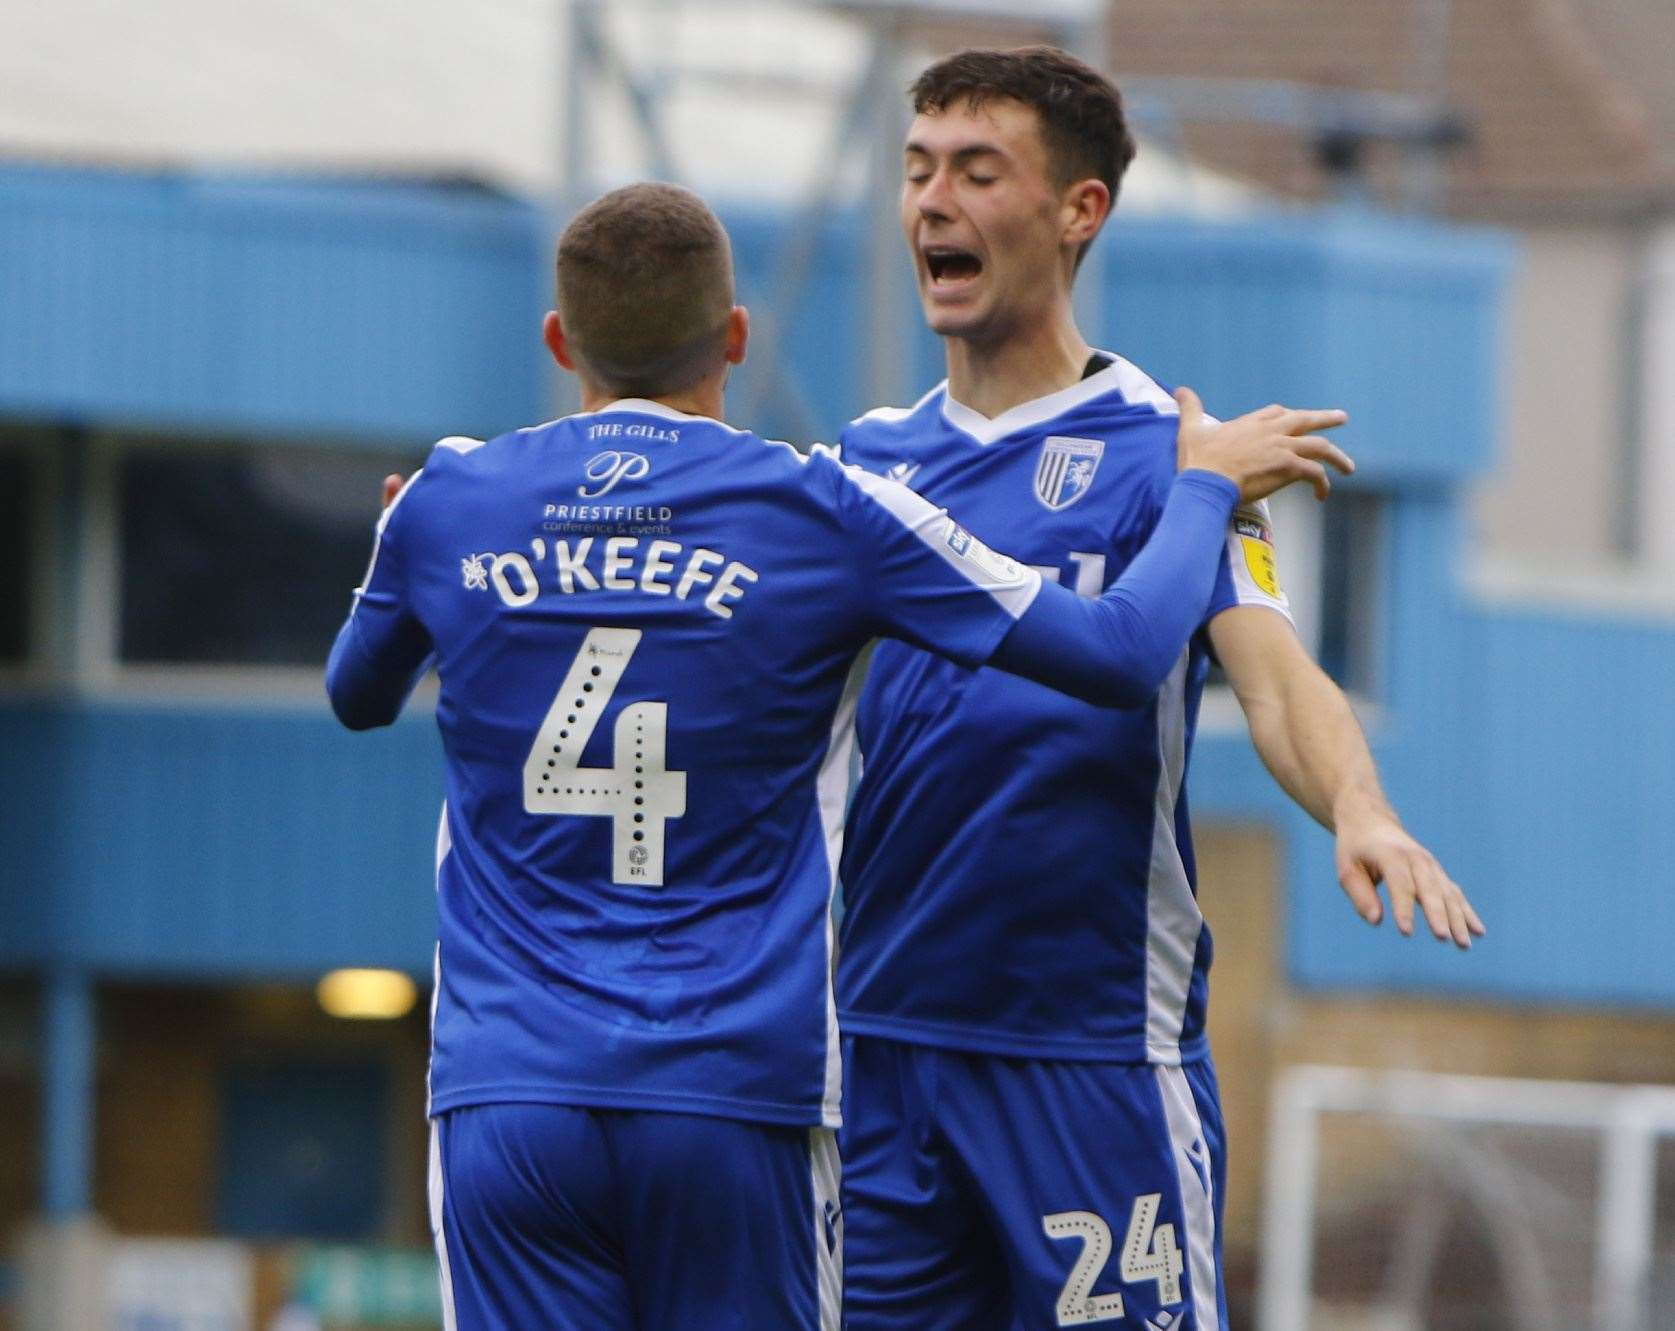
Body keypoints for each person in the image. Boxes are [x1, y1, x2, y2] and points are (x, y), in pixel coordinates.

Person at [324, 181, 1349, 1331]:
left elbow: (356, 691)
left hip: (510, 1089)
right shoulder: (818, 505)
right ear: (737, 337)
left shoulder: (452, 496)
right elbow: (1116, 651)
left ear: (559, 341)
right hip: (736, 1089)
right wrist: (1203, 485)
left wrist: (399, 545)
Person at [834, 47, 1486, 1331]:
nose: (932, 203)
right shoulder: (866, 460)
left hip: (1088, 1065)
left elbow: (1280, 675)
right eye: (916, 172)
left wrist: (1362, 805)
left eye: (977, 171)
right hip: (879, 1051)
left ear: (1080, 211)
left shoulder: (1175, 458)